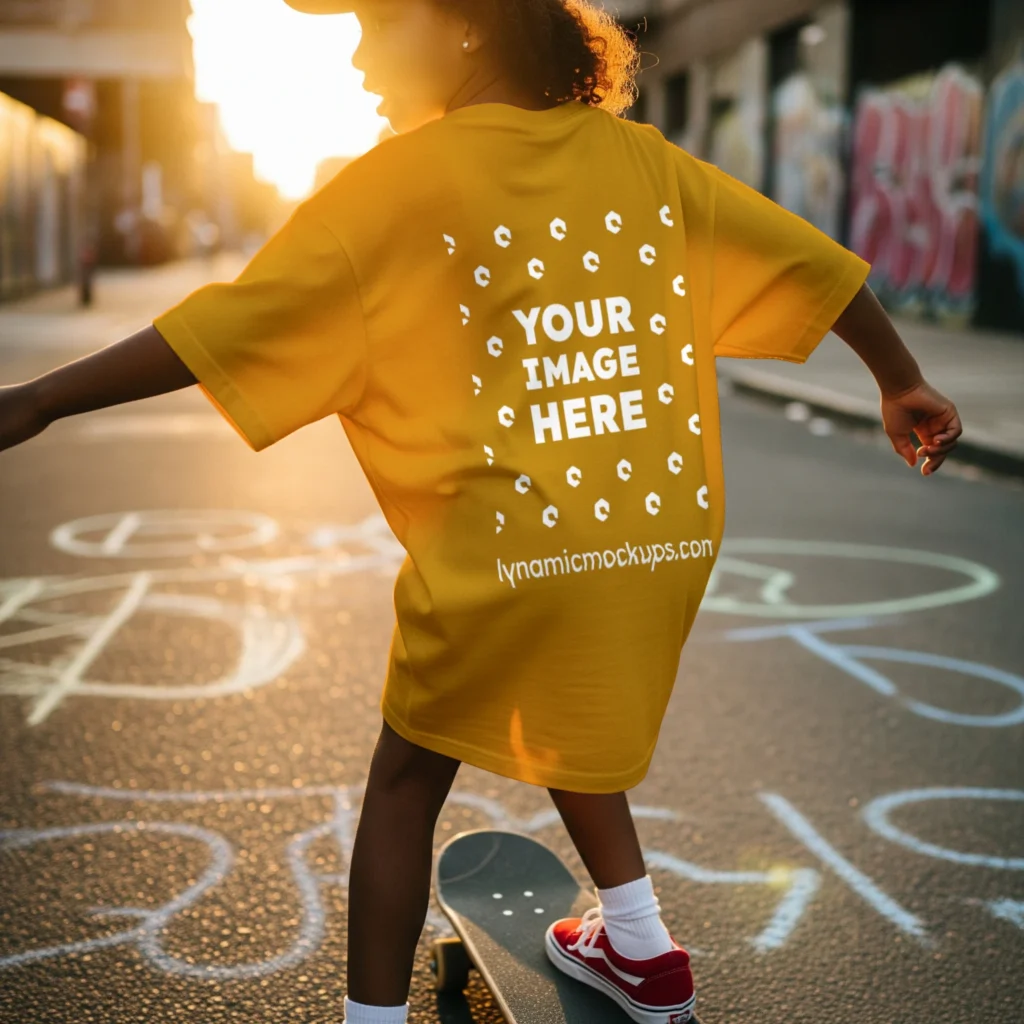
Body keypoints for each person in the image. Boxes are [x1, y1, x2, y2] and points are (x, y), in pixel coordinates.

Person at [0, 1, 963, 1022]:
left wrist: (43, 397)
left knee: (406, 781)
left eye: (376, 26)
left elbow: (226, 327)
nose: (360, 56)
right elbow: (812, 266)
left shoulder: (395, 183)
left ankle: (370, 1019)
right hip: (655, 532)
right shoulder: (643, 162)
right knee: (559, 702)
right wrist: (900, 380)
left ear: (465, 28)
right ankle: (639, 948)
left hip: (509, 546)